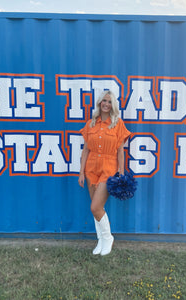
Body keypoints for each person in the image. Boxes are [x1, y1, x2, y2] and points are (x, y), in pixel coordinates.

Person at [78, 90, 131, 256]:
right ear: (100, 103)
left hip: (109, 168)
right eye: (104, 101)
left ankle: (108, 238)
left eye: (109, 102)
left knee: (96, 207)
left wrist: (121, 173)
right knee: (96, 208)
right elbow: (86, 150)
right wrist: (81, 173)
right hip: (91, 168)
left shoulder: (118, 124)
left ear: (113, 105)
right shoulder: (91, 124)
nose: (106, 104)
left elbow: (120, 151)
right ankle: (100, 239)